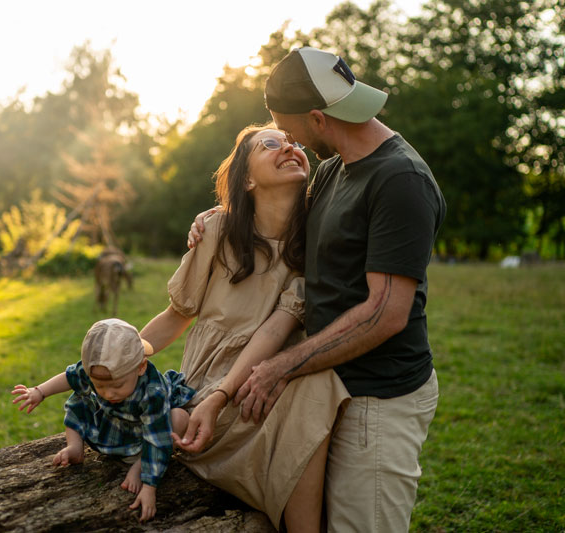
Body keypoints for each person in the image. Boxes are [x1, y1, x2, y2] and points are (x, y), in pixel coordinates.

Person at [189, 46, 446, 532]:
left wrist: (279, 367)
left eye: (288, 128)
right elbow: (271, 211)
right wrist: (218, 218)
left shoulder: (399, 180)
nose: (287, 139)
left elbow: (384, 313)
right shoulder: (333, 170)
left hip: (376, 396)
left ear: (317, 118)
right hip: (327, 387)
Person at [139, 123, 350, 532]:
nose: (288, 146)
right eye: (270, 144)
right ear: (248, 179)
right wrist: (121, 356)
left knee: (317, 384)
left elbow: (274, 330)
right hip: (206, 395)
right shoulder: (217, 231)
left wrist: (225, 394)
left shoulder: (313, 245)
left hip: (258, 385)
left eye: (293, 142)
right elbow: (176, 317)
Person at [10, 318, 195, 522]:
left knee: (179, 418)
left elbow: (157, 439)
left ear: (141, 367)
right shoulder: (97, 371)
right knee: (78, 398)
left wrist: (150, 487)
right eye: (100, 386)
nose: (108, 393)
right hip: (113, 426)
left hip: (146, 436)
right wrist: (40, 392)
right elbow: (70, 377)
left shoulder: (153, 393)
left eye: (117, 386)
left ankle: (140, 464)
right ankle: (75, 447)